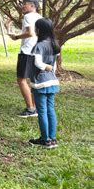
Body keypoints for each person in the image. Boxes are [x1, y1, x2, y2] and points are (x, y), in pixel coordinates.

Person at [28, 18, 60, 149]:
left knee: (42, 111)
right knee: (50, 110)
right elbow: (55, 65)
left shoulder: (39, 46)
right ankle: (52, 139)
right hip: (52, 81)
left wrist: (47, 67)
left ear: (39, 30)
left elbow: (38, 64)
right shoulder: (54, 44)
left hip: (40, 83)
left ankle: (45, 140)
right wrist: (51, 69)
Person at [9, 0, 42, 117]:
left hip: (27, 51)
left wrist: (16, 37)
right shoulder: (40, 17)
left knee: (21, 79)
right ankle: (37, 107)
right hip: (38, 51)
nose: (23, 6)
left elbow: (30, 33)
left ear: (33, 6)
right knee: (33, 80)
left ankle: (30, 109)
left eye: (25, 4)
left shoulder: (28, 16)